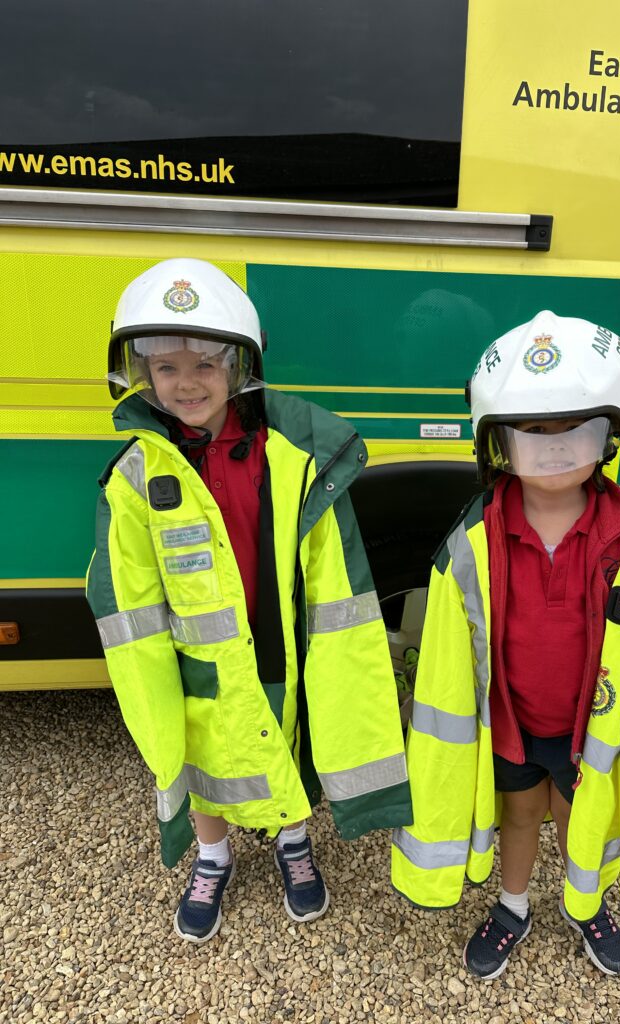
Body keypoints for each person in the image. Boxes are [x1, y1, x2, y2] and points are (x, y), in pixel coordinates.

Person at [87, 258, 412, 943]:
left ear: (238, 367)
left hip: (277, 640)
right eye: (166, 367)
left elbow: (332, 573)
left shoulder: (288, 451)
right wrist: (151, 688)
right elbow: (131, 597)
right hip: (192, 657)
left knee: (283, 737)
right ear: (142, 374)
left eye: (205, 364)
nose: (186, 382)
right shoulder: (137, 475)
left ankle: (294, 843)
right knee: (201, 756)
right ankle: (213, 855)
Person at [391, 310, 620, 978]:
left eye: (576, 427)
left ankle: (583, 904)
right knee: (521, 811)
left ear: (615, 432)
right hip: (513, 723)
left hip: (592, 732)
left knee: (578, 814)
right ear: (499, 441)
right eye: (534, 431)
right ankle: (513, 906)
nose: (555, 447)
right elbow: (452, 658)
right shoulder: (472, 540)